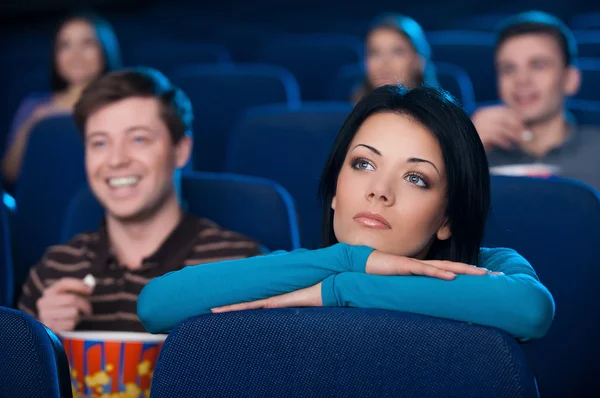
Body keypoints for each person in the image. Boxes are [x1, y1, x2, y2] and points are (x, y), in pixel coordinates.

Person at [138, 85, 554, 341]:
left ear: (448, 217)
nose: (379, 191)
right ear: (335, 191)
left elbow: (531, 310)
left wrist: (342, 289)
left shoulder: (489, 267)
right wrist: (346, 261)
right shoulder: (307, 268)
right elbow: (156, 305)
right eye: (363, 164)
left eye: (416, 178)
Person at [17, 68, 263, 333]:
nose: (116, 160)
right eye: (100, 143)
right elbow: (16, 374)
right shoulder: (51, 273)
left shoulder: (240, 267)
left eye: (138, 139)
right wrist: (43, 338)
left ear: (181, 150)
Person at [472, 11, 600, 188]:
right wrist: (467, 148)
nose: (522, 80)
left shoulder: (596, 153)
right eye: (508, 69)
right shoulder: (476, 152)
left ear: (571, 79)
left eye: (538, 66)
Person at [2, 11, 122, 185]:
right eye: (65, 45)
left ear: (104, 50)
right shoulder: (35, 106)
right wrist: (34, 123)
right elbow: (10, 172)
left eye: (87, 43)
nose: (76, 54)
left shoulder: (122, 105)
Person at [353, 13, 437, 102]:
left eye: (397, 52)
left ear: (419, 60)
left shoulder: (438, 114)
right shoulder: (351, 112)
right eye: (375, 53)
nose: (385, 63)